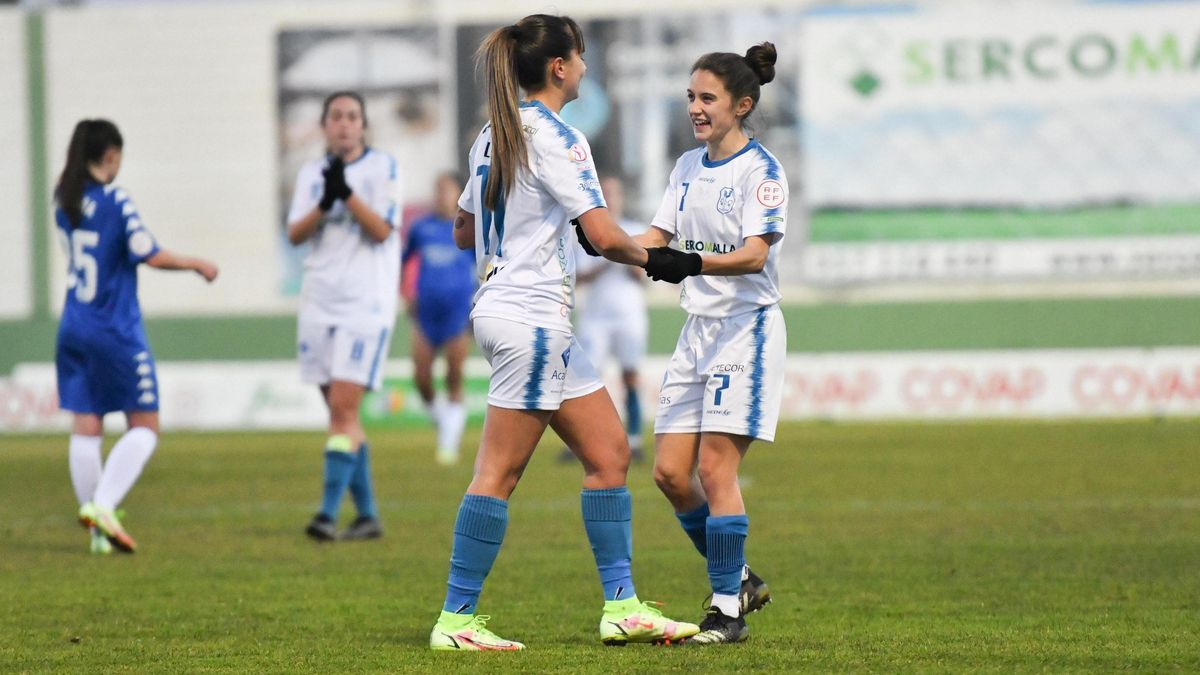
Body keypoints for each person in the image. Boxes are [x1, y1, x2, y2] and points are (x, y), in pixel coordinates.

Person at [428, 14, 699, 651]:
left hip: (516, 314)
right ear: (559, 67)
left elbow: (464, 231)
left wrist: (539, 222)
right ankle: (456, 619)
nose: (584, 66)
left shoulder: (490, 136)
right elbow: (604, 237)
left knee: (607, 456)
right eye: (579, 56)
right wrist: (667, 261)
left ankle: (622, 607)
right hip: (532, 319)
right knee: (497, 473)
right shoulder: (560, 136)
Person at [638, 43, 788, 645]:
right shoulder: (685, 167)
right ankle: (741, 575)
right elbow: (654, 239)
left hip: (746, 329)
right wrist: (588, 233)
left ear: (741, 105)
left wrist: (688, 261)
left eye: (708, 99)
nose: (696, 109)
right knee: (671, 475)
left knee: (714, 467)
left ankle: (726, 612)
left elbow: (755, 254)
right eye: (691, 98)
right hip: (697, 330)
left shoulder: (763, 171)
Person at [55, 119, 219, 555]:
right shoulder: (115, 199)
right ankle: (104, 506)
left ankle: (97, 533)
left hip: (73, 325)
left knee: (87, 424)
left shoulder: (65, 201)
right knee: (145, 425)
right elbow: (149, 253)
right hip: (114, 329)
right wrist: (196, 263)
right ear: (111, 156)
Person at [286, 91, 402, 542]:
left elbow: (382, 230)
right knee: (343, 419)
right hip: (318, 301)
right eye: (336, 116)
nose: (344, 124)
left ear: (363, 125)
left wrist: (347, 195)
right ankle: (368, 515)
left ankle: (326, 514)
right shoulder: (311, 173)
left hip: (363, 304)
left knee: (342, 410)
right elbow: (295, 233)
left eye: (352, 116)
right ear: (324, 125)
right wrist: (325, 199)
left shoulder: (382, 167)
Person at [558, 175, 648, 464]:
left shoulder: (636, 231)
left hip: (628, 315)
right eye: (604, 193)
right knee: (585, 379)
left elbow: (644, 274)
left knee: (630, 375)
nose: (609, 199)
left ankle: (633, 440)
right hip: (595, 317)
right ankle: (581, 442)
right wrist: (609, 256)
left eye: (613, 193)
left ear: (621, 197)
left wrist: (625, 254)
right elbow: (578, 278)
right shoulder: (587, 234)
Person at [401, 172, 476, 466]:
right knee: (421, 377)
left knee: (453, 376)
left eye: (447, 190)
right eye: (438, 189)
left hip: (457, 313)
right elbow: (405, 262)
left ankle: (448, 444)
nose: (441, 195)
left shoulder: (468, 230)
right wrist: (407, 295)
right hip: (426, 313)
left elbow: (484, 267)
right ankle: (443, 420)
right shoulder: (421, 228)